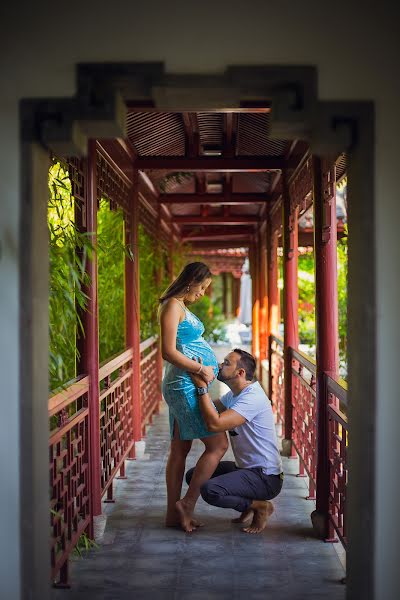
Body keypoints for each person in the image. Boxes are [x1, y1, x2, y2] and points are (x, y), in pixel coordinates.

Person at [159, 262, 229, 532]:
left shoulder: (179, 306)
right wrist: (201, 368)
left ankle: (171, 514)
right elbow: (167, 351)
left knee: (180, 449)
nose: (202, 294)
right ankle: (185, 505)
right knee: (218, 445)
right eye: (201, 288)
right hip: (184, 385)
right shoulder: (172, 306)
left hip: (186, 381)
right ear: (190, 282)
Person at [186, 348, 283, 534]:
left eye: (226, 363)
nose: (220, 366)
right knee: (194, 476)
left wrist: (201, 388)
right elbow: (210, 407)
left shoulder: (252, 398)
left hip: (265, 477)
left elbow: (216, 424)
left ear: (240, 373)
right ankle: (248, 504)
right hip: (246, 469)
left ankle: (259, 506)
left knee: (210, 490)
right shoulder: (235, 394)